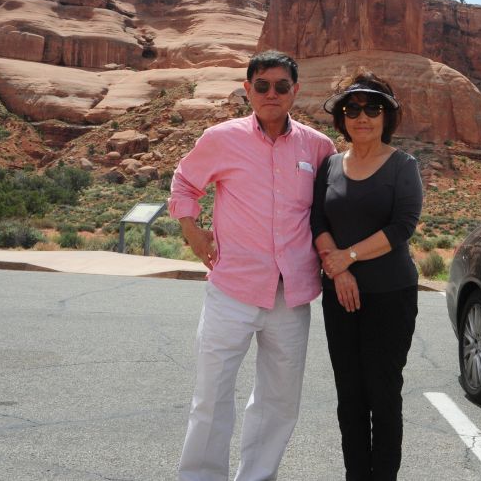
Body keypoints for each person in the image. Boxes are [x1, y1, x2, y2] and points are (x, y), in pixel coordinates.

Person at [171, 50, 336, 481]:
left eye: (281, 86)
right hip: (233, 290)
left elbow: (332, 209)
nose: (271, 94)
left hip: (291, 296)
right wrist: (193, 231)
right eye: (262, 86)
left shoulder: (319, 147)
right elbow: (185, 183)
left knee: (279, 401)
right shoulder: (221, 138)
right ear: (248, 90)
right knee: (211, 396)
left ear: (295, 91)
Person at [311, 71, 423, 481]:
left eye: (373, 108)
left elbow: (402, 226)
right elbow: (317, 220)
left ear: (386, 117)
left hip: (390, 295)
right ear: (342, 117)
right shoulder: (329, 165)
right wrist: (338, 270)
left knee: (383, 393)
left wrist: (349, 257)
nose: (362, 116)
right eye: (353, 108)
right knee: (350, 395)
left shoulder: (402, 165)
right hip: (339, 295)